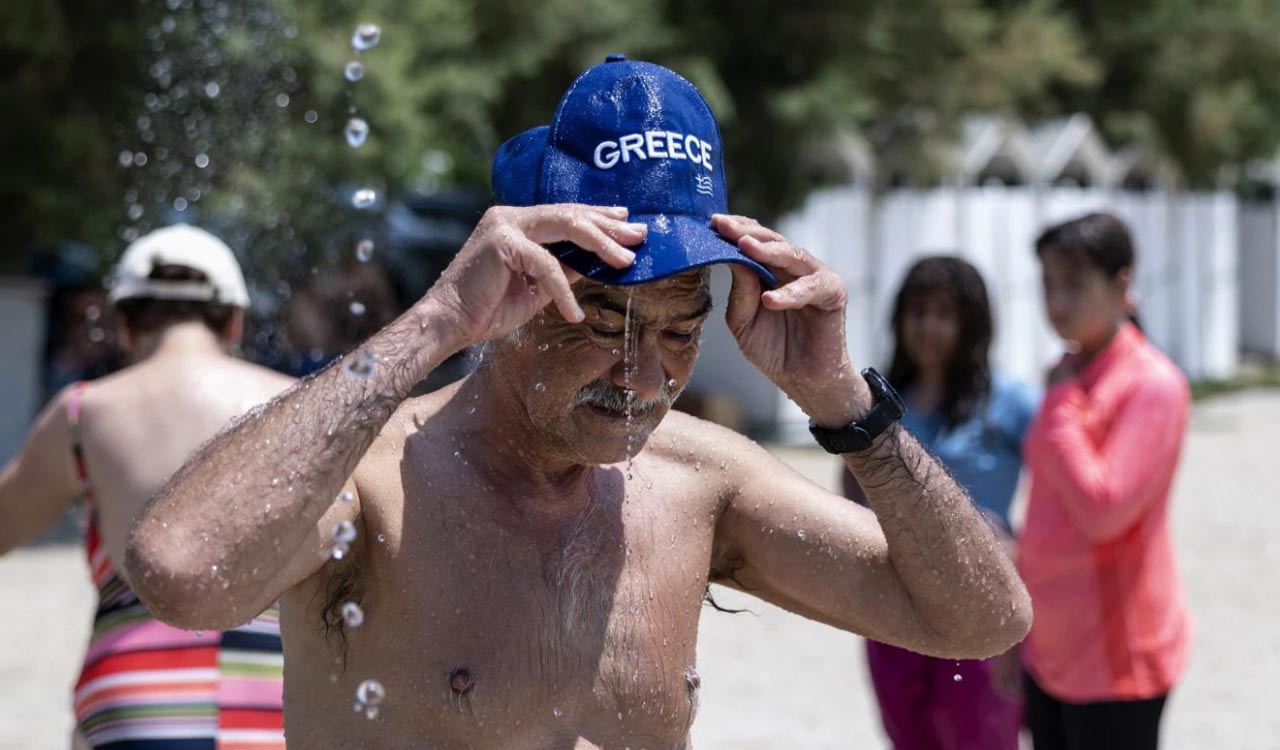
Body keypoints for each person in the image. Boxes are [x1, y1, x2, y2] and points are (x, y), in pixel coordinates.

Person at [127, 56, 1031, 749]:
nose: (641, 376)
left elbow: (984, 622)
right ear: (513, 290)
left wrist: (848, 406)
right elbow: (176, 570)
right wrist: (435, 321)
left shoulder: (698, 484)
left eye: (680, 330)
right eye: (598, 317)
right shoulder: (380, 483)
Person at [0, 225, 294, 749]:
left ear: (127, 326)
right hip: (274, 694)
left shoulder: (82, 413)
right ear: (233, 321)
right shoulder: (298, 405)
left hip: (133, 697)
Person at [843, 256, 1037, 750]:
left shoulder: (1010, 401)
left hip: (981, 599)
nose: (929, 326)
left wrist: (1023, 550)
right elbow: (851, 490)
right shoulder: (878, 401)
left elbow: (1060, 490)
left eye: (946, 313)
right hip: (894, 603)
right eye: (918, 310)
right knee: (908, 735)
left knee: (982, 735)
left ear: (972, 323)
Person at [1018, 212, 1191, 750]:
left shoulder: (1152, 385)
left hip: (1115, 658)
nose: (1057, 302)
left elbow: (1103, 509)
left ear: (1122, 284)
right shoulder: (1072, 370)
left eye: (1073, 283)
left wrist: (1064, 404)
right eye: (1048, 284)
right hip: (1052, 647)